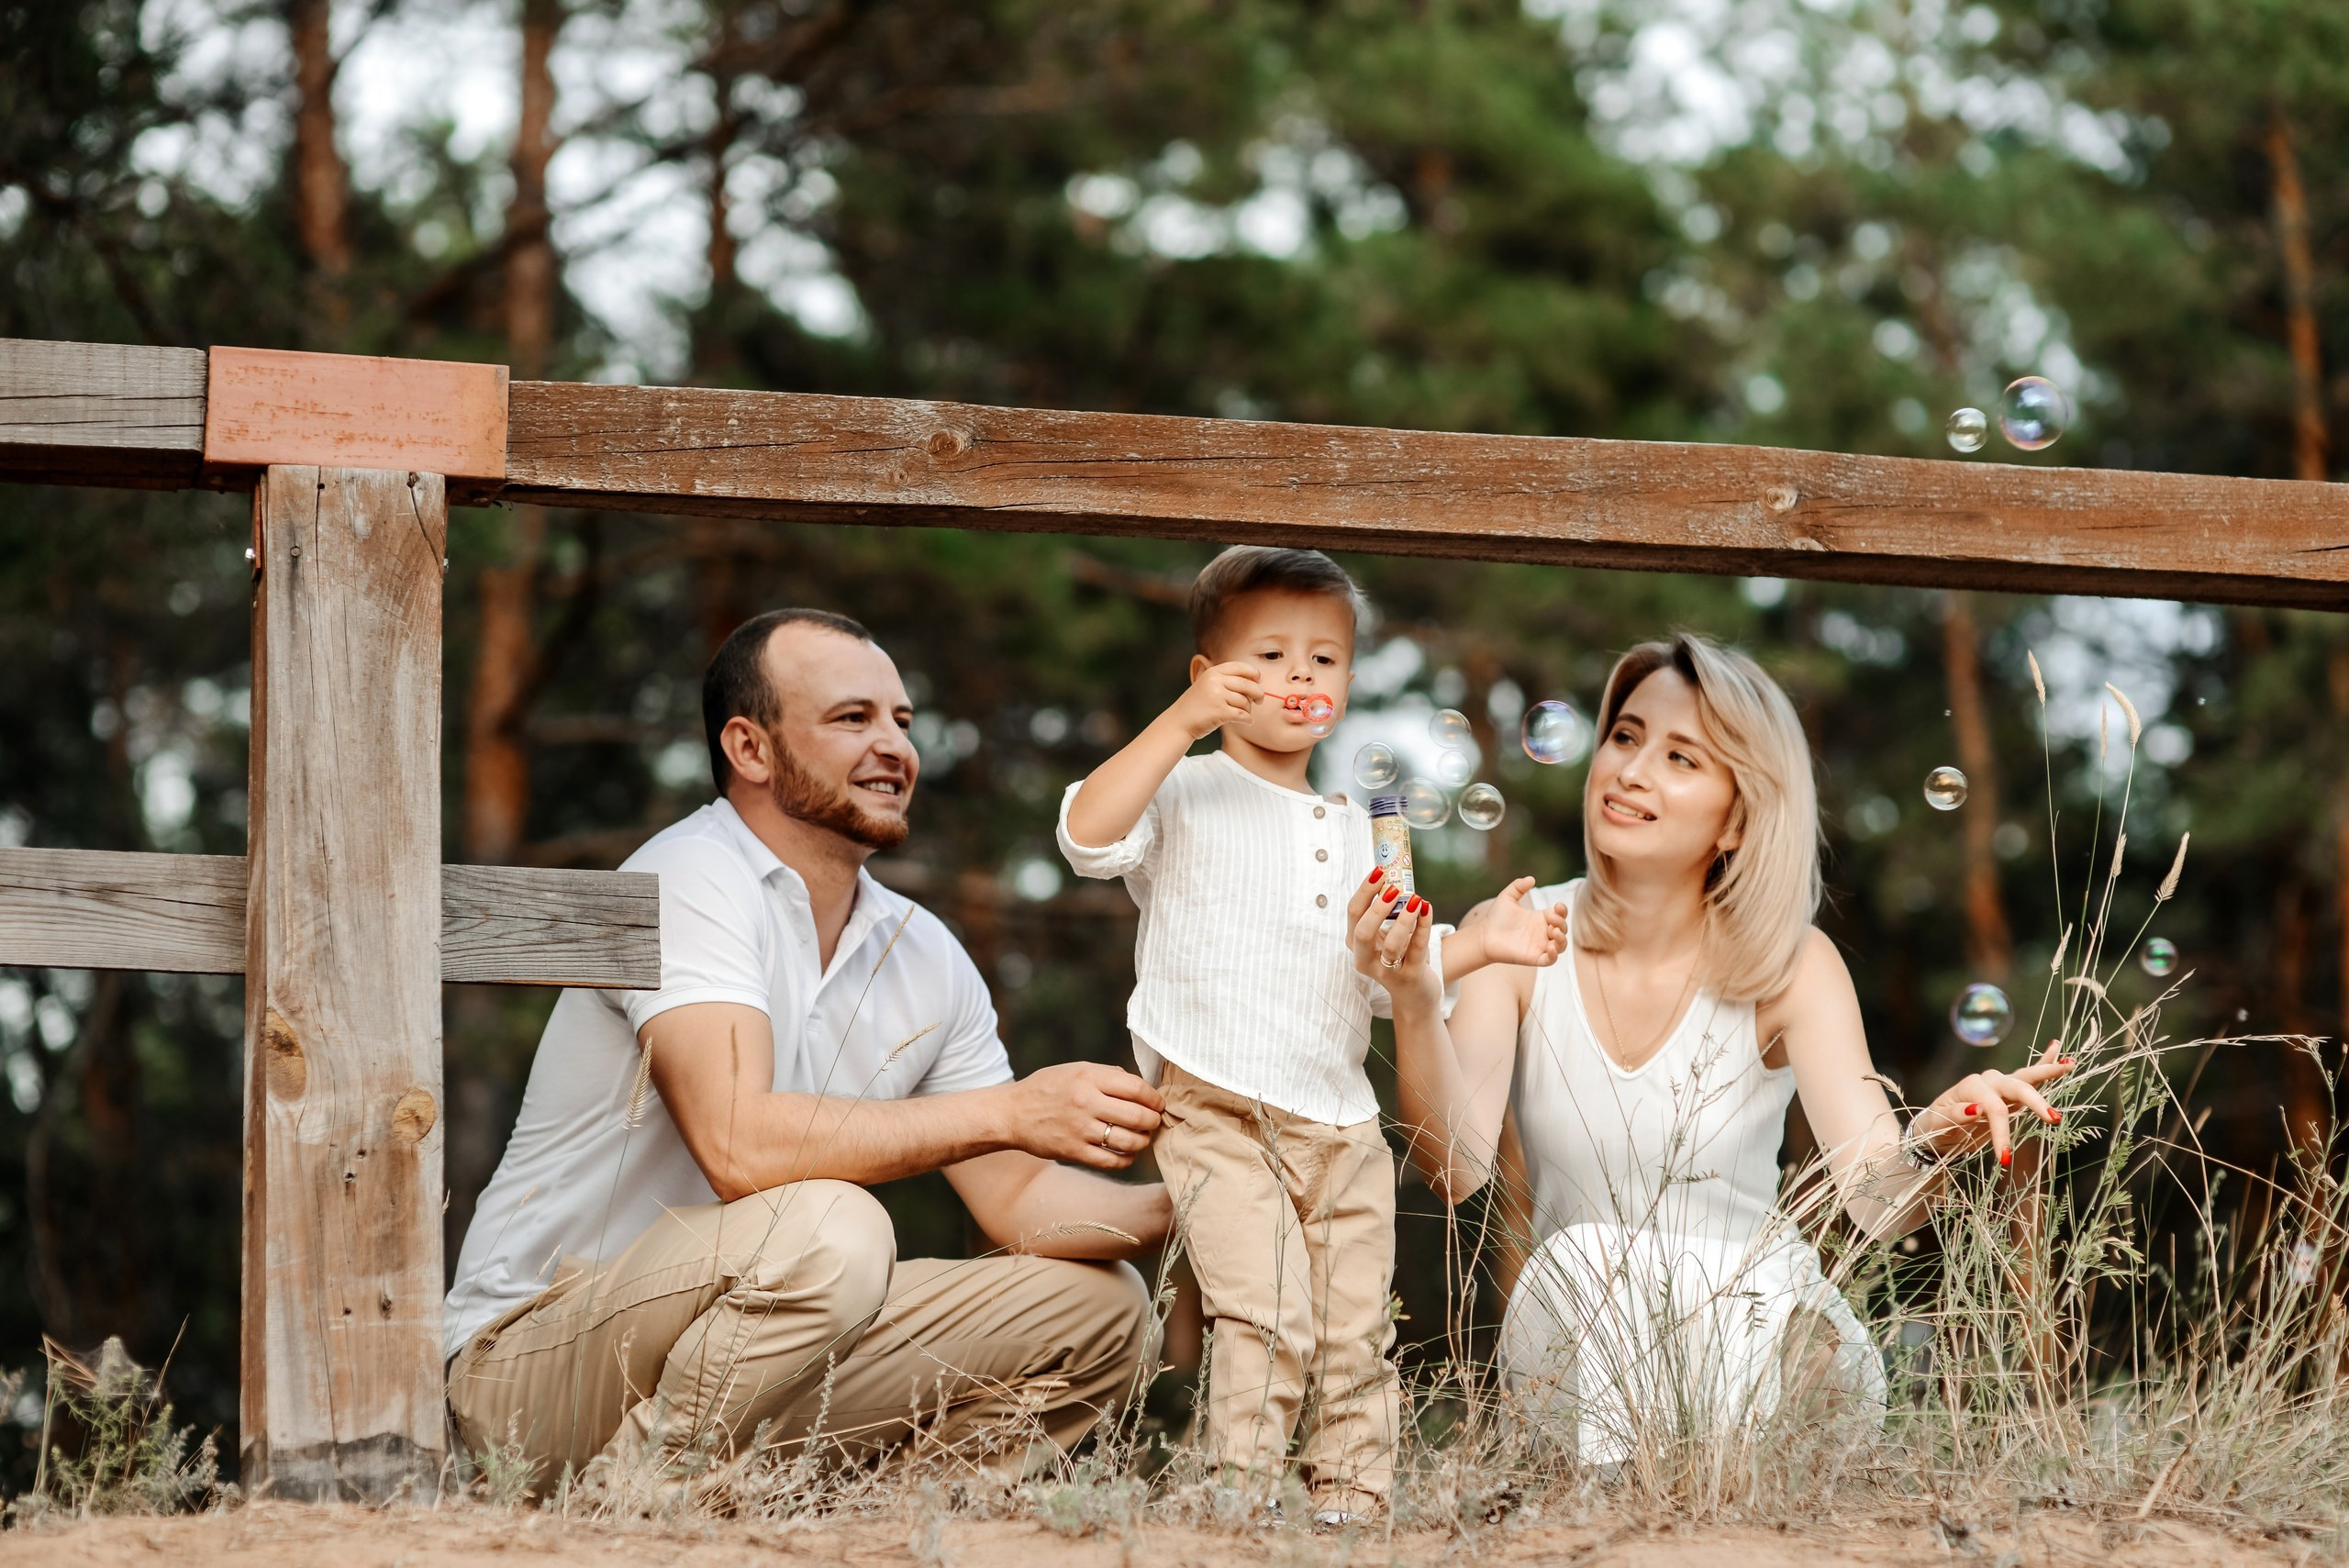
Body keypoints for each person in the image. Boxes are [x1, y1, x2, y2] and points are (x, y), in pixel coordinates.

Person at [445, 608, 1173, 1494]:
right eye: (852, 718)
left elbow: (1016, 1195)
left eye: (903, 721)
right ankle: (630, 1512)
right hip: (533, 1365)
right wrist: (1012, 1110)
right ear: (749, 748)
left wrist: (1199, 1204)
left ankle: (876, 1528)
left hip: (750, 1363)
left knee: (1102, 1306)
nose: (895, 747)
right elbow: (736, 1145)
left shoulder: (926, 951)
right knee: (834, 1223)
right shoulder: (688, 875)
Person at [1347, 632, 2071, 1464]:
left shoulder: (1791, 963)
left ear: (1737, 816)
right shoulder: (1516, 935)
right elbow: (1456, 1167)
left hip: (1772, 1335)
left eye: (1681, 757)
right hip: (1579, 1343)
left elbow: (1880, 1200)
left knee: (1769, 1351)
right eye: (1625, 735)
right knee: (1584, 1259)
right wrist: (1413, 994)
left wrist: (1940, 1132)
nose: (1630, 769)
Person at [1056, 547, 1568, 1522]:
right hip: (1216, 1104)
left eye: (1325, 659)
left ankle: (1353, 1502)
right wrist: (1179, 724)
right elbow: (1086, 834)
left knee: (1350, 1324)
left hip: (1340, 1122)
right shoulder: (1184, 788)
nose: (1302, 676)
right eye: (1271, 655)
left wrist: (1478, 943)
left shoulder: (1358, 824)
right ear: (1207, 676)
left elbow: (1380, 978)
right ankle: (1236, 1500)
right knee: (1264, 1311)